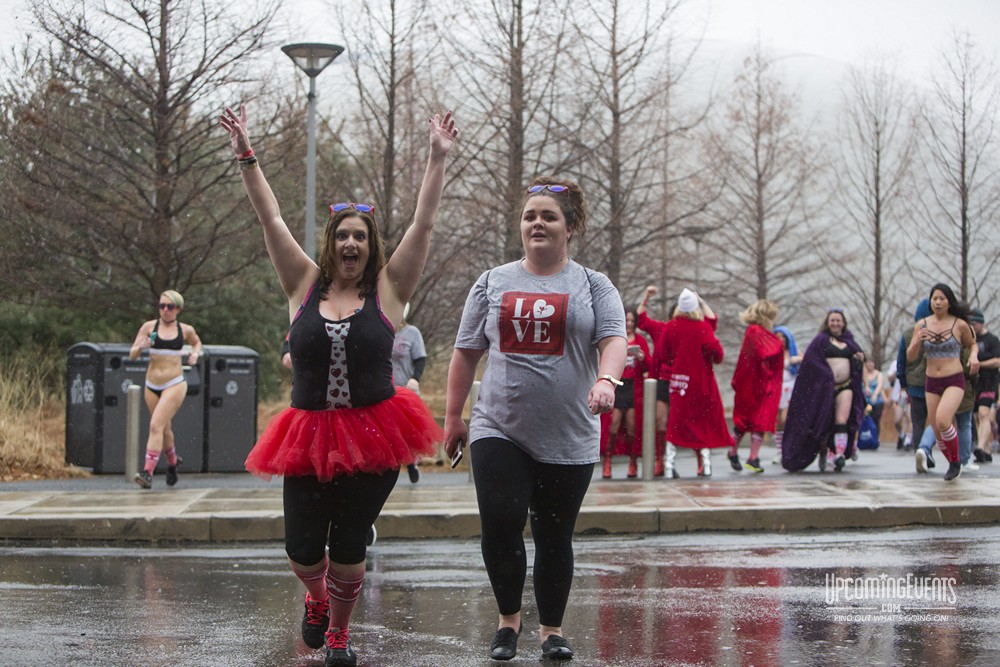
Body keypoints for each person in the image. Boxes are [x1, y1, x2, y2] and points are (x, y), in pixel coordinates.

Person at [221, 103, 457, 666]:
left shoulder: (391, 290)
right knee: (303, 548)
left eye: (361, 236)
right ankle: (317, 598)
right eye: (342, 236)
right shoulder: (302, 282)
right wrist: (246, 154)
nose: (351, 244)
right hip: (306, 433)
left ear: (371, 244)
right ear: (331, 242)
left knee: (350, 539)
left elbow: (423, 223)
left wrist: (436, 158)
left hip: (376, 433)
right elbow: (271, 219)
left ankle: (340, 635)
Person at [443, 176, 626, 662]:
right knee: (501, 523)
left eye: (548, 216)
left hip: (569, 431)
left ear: (570, 227)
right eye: (530, 216)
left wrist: (606, 381)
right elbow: (465, 354)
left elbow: (614, 340)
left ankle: (551, 630)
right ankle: (508, 622)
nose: (537, 223)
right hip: (498, 426)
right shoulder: (492, 282)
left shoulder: (593, 284)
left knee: (553, 535)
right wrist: (454, 418)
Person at [638, 287, 733, 477]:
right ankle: (705, 464)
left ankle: (668, 462)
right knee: (700, 423)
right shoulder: (703, 328)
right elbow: (718, 354)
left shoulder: (670, 328)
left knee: (673, 424)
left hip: (677, 383)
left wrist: (677, 360)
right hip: (700, 384)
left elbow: (664, 353)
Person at [128, 290, 202, 489]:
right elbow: (132, 354)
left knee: (155, 425)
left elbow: (196, 343)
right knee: (164, 428)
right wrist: (141, 346)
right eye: (162, 306)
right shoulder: (149, 327)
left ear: (178, 308)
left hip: (174, 383)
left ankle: (147, 473)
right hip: (152, 384)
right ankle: (172, 463)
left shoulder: (184, 329)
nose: (165, 311)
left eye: (170, 307)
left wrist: (195, 354)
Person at [907, 283, 979, 481]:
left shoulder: (959, 324)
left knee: (942, 419)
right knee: (938, 433)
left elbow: (972, 344)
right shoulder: (921, 325)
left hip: (954, 379)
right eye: (934, 298)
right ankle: (953, 463)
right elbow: (911, 356)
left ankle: (955, 463)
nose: (938, 302)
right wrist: (916, 342)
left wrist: (974, 357)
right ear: (930, 302)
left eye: (942, 298)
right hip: (931, 381)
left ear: (949, 302)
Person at [781, 309, 865, 473]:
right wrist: (825, 375)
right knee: (823, 422)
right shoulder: (820, 341)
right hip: (823, 390)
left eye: (838, 320)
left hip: (845, 387)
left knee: (842, 419)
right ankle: (823, 451)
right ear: (827, 322)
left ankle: (839, 454)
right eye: (832, 320)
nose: (835, 323)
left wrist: (859, 360)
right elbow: (810, 362)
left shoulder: (850, 341)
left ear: (843, 323)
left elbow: (858, 360)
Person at [728, 300, 784, 474]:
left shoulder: (757, 332)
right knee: (746, 421)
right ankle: (735, 452)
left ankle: (752, 457)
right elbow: (765, 352)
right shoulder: (755, 332)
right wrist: (779, 342)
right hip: (755, 384)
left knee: (759, 421)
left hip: (759, 383)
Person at [602, 308, 649, 479]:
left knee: (631, 427)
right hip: (617, 385)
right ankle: (607, 460)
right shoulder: (615, 339)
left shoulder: (640, 340)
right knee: (612, 425)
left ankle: (633, 460)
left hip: (632, 387)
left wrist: (643, 359)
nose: (629, 324)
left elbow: (648, 366)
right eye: (626, 320)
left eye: (631, 321)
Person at [636, 286, 672, 476]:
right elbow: (641, 319)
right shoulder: (662, 329)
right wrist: (647, 296)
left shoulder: (693, 331)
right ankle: (660, 459)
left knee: (685, 423)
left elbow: (711, 322)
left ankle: (701, 459)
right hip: (662, 382)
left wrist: (699, 302)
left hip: (684, 384)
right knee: (660, 422)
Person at [392, 303, 429, 481]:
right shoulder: (381, 329)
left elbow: (420, 358)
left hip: (406, 388)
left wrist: (415, 378)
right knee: (390, 430)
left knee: (406, 430)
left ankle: (411, 463)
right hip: (386, 390)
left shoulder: (412, 333)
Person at [970, 308, 1000, 464]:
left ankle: (980, 447)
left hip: (990, 381)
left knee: (984, 413)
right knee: (976, 416)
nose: (972, 326)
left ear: (981, 323)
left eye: (974, 323)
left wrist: (980, 364)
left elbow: (997, 361)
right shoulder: (970, 340)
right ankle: (986, 449)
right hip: (975, 383)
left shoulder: (992, 340)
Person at [771, 326, 801, 464]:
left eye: (783, 336)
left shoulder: (793, 352)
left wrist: (796, 360)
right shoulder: (771, 352)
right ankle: (779, 451)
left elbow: (805, 359)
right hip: (776, 388)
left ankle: (789, 448)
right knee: (777, 422)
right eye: (778, 336)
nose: (781, 339)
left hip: (790, 387)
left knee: (785, 419)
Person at [862, 357, 886, 442]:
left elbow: (880, 385)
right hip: (865, 400)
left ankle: (875, 438)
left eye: (871, 362)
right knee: (864, 419)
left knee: (875, 420)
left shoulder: (879, 374)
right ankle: (864, 439)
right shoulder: (863, 374)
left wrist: (875, 394)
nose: (870, 364)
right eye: (868, 362)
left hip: (877, 401)